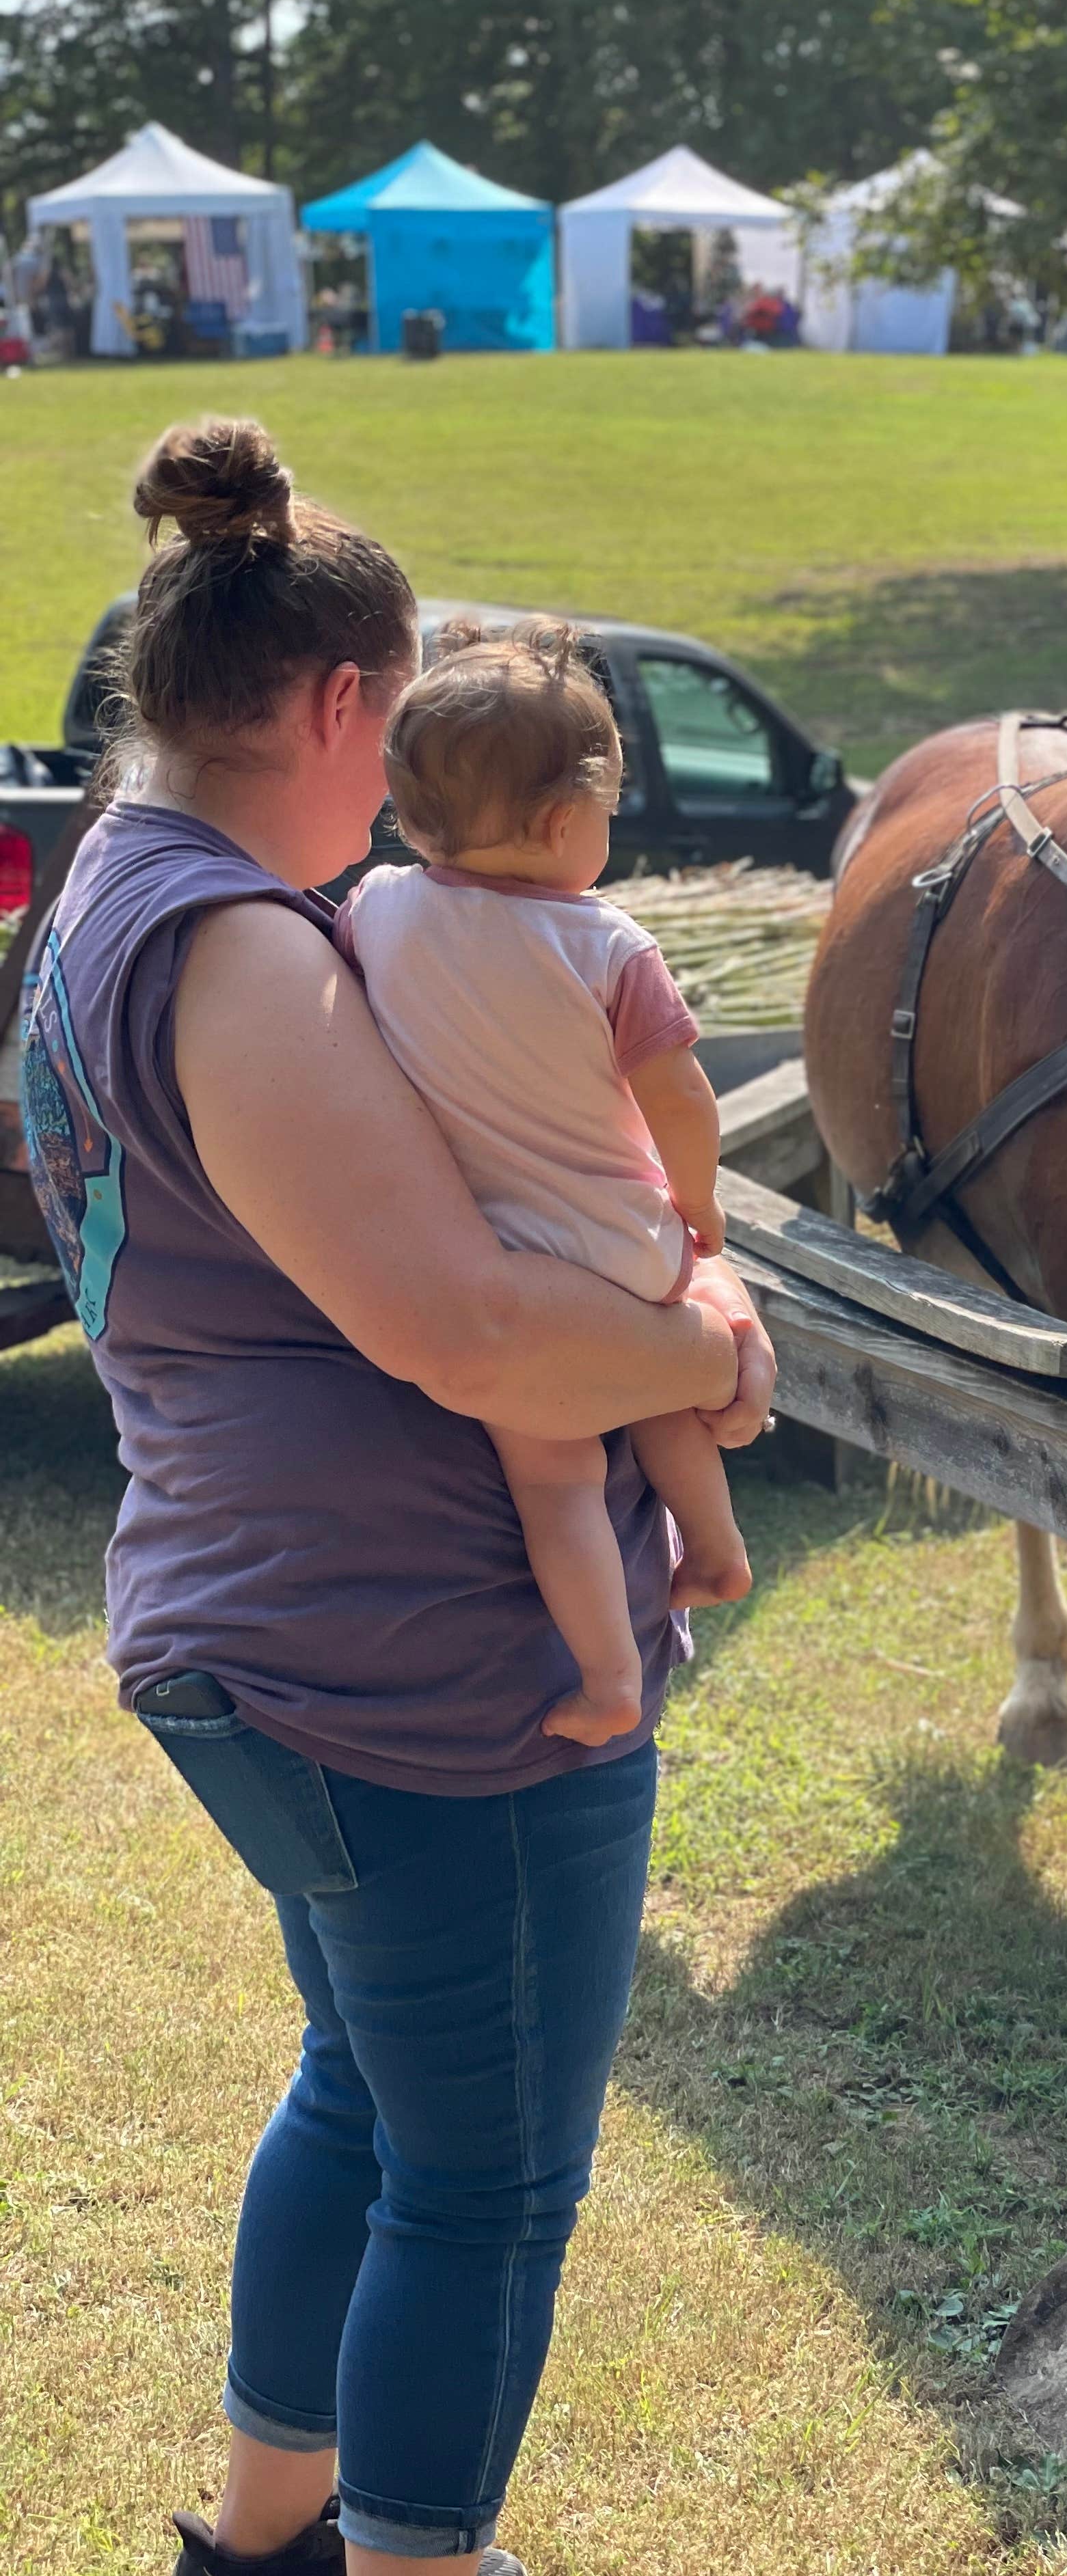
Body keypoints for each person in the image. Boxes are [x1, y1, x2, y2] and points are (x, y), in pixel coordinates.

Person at [18, 415, 774, 2576]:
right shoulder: (240, 952)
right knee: (490, 2180)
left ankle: (262, 2561)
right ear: (344, 704)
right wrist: (715, 1349)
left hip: (268, 1629)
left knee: (362, 2089)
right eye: (396, 742)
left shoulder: (111, 890)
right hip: (420, 1673)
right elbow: (473, 1336)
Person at [338, 618, 750, 1748]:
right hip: (623, 1239)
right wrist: (698, 1206)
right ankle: (712, 1549)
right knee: (660, 1383)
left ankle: (608, 1680)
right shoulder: (610, 946)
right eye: (608, 812)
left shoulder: (375, 911)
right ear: (566, 820)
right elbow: (681, 1100)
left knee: (555, 1481)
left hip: (500, 1251)